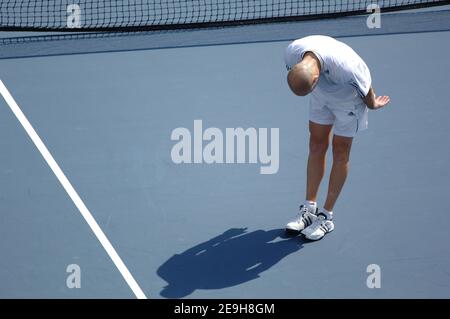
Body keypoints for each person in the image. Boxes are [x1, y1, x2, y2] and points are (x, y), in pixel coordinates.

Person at [284, 35, 390, 240]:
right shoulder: (291, 53)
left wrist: (373, 104)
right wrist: (314, 91)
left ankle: (326, 216)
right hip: (320, 95)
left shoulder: (348, 67)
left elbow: (366, 89)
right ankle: (309, 209)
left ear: (314, 80)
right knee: (316, 145)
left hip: (348, 101)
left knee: (340, 152)